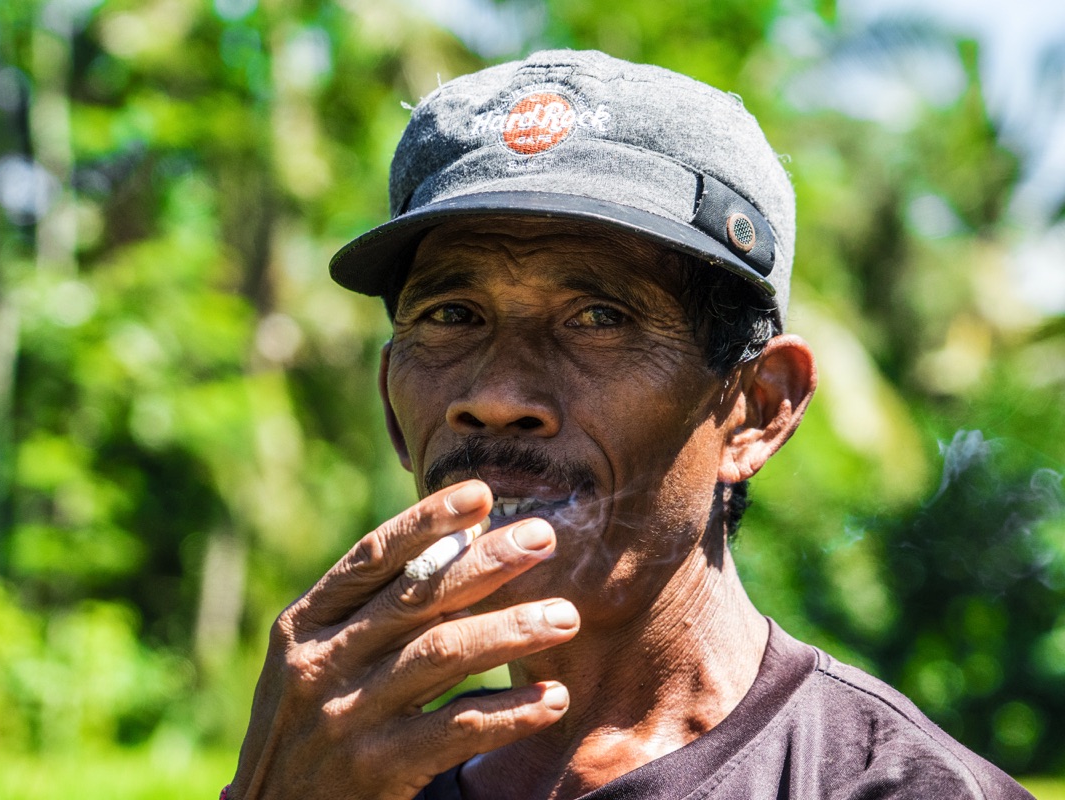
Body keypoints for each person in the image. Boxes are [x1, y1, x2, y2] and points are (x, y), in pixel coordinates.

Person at [224, 50, 1032, 800]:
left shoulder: (898, 788)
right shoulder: (344, 773)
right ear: (395, 412)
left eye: (599, 317)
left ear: (756, 410)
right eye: (454, 314)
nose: (498, 394)